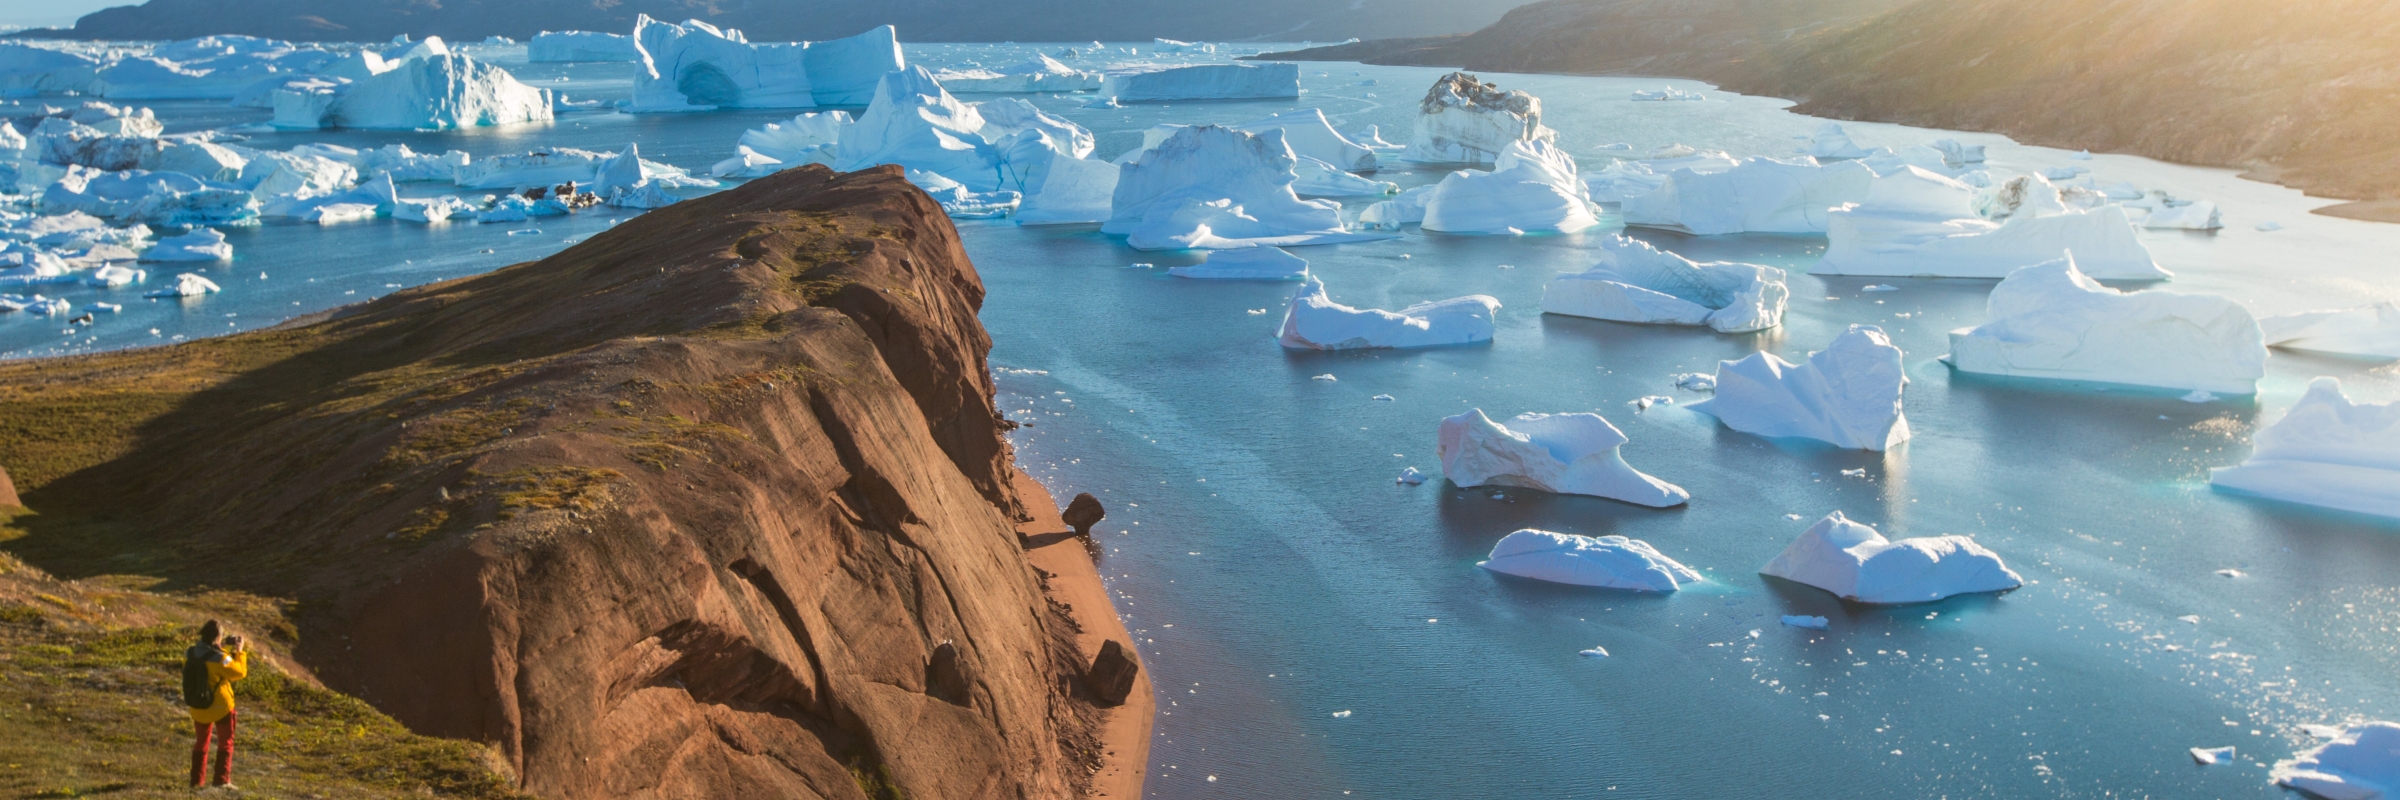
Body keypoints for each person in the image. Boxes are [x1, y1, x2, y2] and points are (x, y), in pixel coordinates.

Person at [180, 620, 248, 790]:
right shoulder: (220, 658)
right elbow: (238, 672)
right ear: (218, 637)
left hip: (198, 706)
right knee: (226, 742)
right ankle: (221, 780)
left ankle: (196, 782)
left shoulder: (190, 653)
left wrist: (219, 646)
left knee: (201, 743)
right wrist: (239, 652)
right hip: (221, 708)